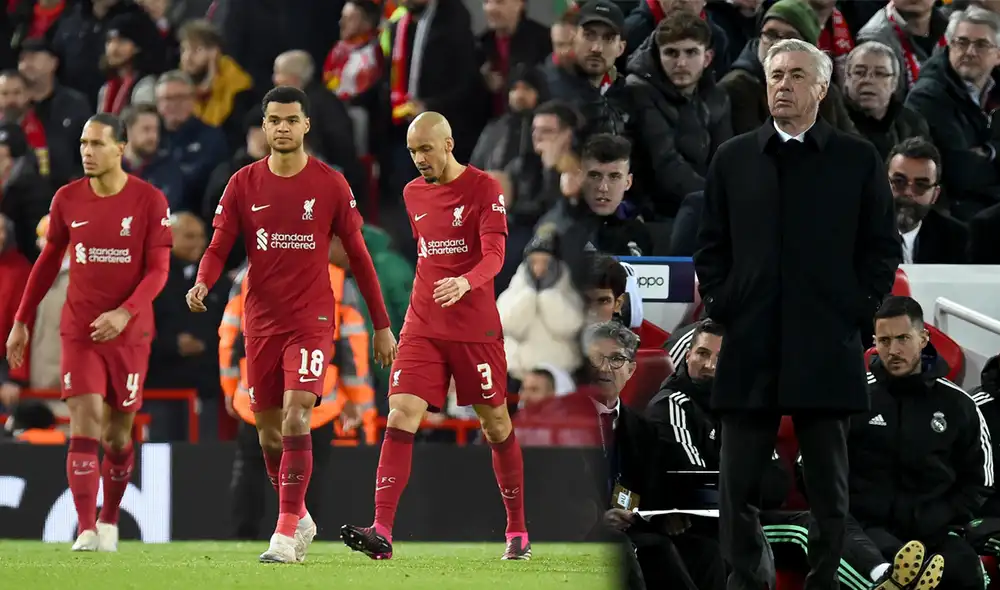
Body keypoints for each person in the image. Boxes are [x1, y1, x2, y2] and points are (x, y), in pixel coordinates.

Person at [694, 39, 901, 590]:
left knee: (830, 489)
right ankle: (745, 581)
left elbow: (881, 248)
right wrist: (723, 305)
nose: (782, 85)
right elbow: (710, 247)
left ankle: (826, 582)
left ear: (821, 87)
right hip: (750, 342)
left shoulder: (857, 159)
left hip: (825, 345)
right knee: (736, 487)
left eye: (794, 76)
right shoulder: (733, 158)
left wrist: (855, 315)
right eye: (775, 74)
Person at [185, 85, 397, 564]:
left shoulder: (330, 184)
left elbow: (360, 258)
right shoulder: (242, 182)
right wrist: (202, 282)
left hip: (312, 318)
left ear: (305, 125)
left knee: (297, 413)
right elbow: (219, 245)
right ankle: (298, 514)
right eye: (274, 120)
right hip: (260, 321)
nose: (282, 128)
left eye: (291, 120)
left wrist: (381, 325)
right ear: (264, 127)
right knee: (267, 433)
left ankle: (283, 534)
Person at [340, 112, 529, 561]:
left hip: (474, 327)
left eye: (426, 149)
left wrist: (467, 282)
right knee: (400, 413)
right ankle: (382, 530)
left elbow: (497, 255)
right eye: (412, 151)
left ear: (449, 143)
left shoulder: (484, 188)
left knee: (495, 423)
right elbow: (430, 252)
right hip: (423, 323)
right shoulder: (411, 193)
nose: (419, 159)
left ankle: (517, 529)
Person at [5, 113, 174, 552]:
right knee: (84, 423)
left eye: (97, 144)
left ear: (120, 148)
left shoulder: (149, 200)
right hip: (79, 329)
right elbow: (45, 265)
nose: (87, 152)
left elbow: (159, 271)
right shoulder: (67, 199)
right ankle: (84, 527)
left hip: (130, 334)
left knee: (118, 436)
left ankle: (111, 518)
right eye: (83, 143)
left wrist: (126, 313)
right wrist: (22, 320)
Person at [839, 296, 990, 590]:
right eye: (884, 340)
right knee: (862, 556)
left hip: (934, 532)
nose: (893, 350)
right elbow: (815, 466)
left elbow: (980, 480)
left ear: (923, 338)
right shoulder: (854, 400)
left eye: (902, 338)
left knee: (968, 571)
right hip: (868, 531)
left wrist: (941, 515)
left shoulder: (959, 405)